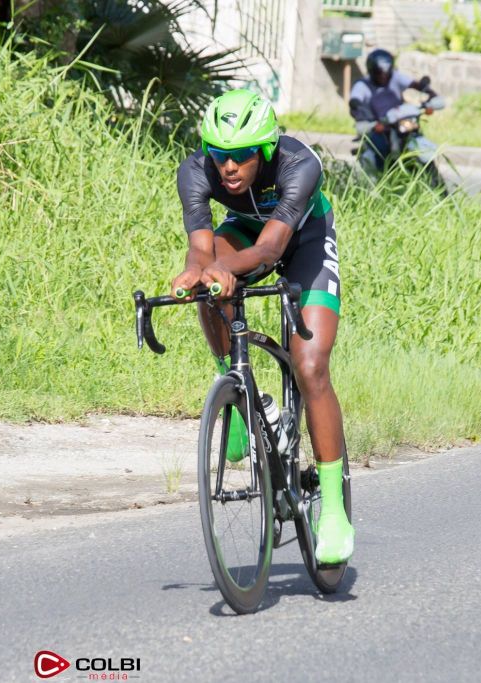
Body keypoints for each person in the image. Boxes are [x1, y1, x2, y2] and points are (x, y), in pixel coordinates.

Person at [172, 89, 354, 564]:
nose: (228, 167)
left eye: (241, 156)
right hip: (247, 230)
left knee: (310, 365)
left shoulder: (300, 164)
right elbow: (200, 247)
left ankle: (332, 510)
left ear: (265, 150)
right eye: (220, 155)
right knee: (208, 285)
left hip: (302, 238)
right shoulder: (195, 171)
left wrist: (223, 269)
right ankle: (236, 390)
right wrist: (198, 272)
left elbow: (273, 249)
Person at [348, 48, 438, 173]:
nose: (383, 76)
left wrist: (430, 94)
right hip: (378, 125)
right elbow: (355, 102)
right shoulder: (362, 85)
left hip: (399, 121)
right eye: (379, 73)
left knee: (414, 135)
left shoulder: (395, 77)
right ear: (372, 71)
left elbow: (414, 84)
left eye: (386, 72)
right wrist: (365, 116)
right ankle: (382, 177)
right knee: (381, 150)